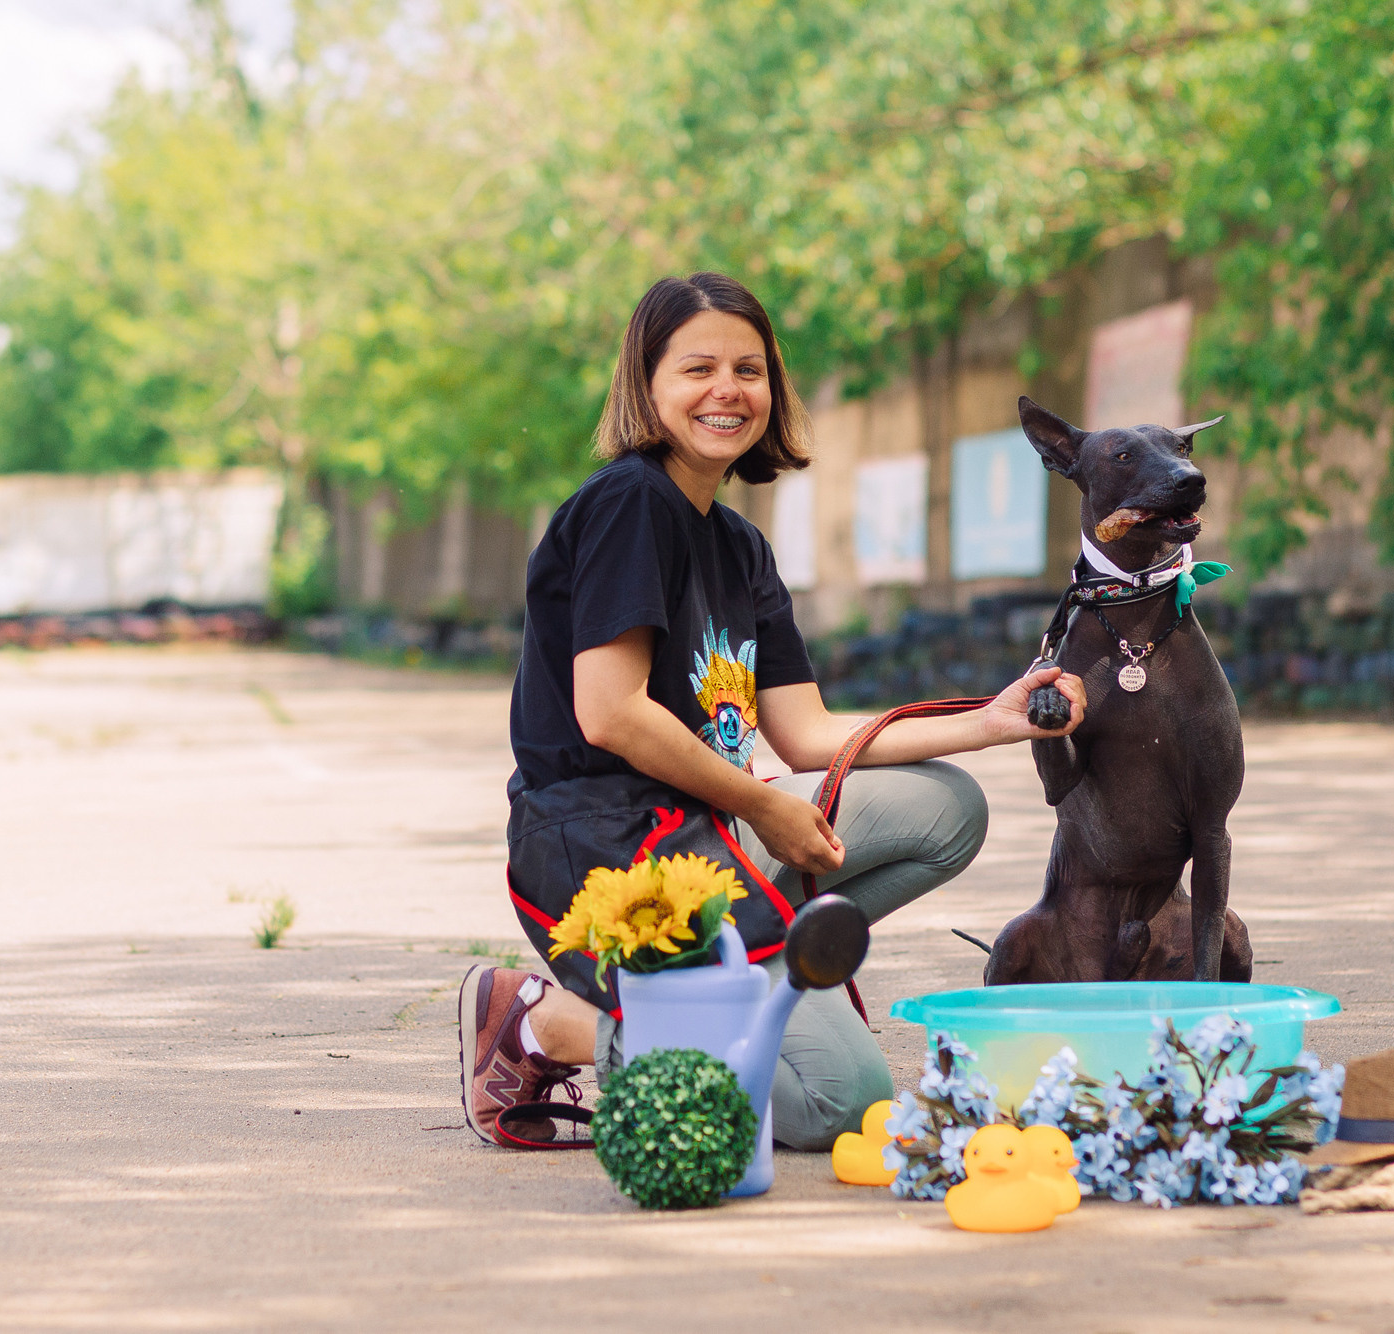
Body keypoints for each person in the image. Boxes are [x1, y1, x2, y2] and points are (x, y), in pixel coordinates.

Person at [459, 272, 1085, 1152]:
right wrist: (764, 805)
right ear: (646, 384)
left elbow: (808, 735)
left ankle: (752, 982)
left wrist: (995, 717)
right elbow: (610, 715)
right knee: (841, 1102)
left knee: (947, 809)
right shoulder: (629, 505)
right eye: (698, 368)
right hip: (612, 854)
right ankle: (541, 1024)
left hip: (710, 831)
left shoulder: (738, 544)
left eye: (749, 369)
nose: (728, 390)